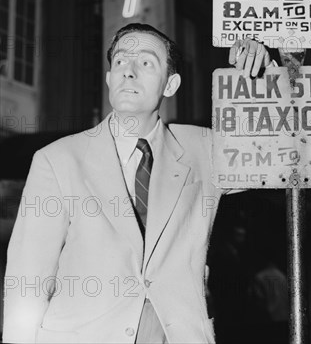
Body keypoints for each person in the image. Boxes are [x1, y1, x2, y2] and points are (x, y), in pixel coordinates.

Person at [2, 23, 272, 344]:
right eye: (120, 62)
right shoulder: (58, 159)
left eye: (145, 62)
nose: (128, 71)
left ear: (170, 84)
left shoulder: (205, 149)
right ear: (108, 78)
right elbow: (28, 277)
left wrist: (265, 77)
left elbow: (278, 153)